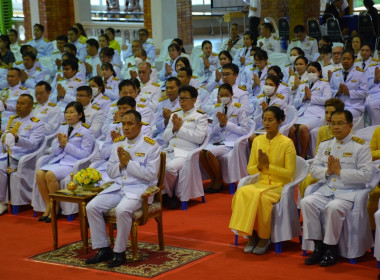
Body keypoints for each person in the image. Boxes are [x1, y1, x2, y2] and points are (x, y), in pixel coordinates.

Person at [85, 110, 160, 268]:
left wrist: (129, 163)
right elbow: (111, 173)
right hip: (119, 187)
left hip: (139, 189)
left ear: (139, 125)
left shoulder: (151, 146)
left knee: (122, 210)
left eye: (130, 124)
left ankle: (120, 252)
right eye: (123, 124)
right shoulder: (118, 143)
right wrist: (120, 164)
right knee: (91, 207)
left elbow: (151, 175)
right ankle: (104, 248)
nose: (126, 128)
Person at [300, 110, 372, 267]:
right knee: (307, 202)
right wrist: (327, 171)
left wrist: (341, 172)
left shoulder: (361, 146)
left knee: (333, 207)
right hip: (327, 189)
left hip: (349, 193)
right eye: (333, 123)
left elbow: (367, 175)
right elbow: (313, 169)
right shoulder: (326, 145)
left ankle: (331, 248)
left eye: (340, 123)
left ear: (350, 125)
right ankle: (318, 246)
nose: (336, 127)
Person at [229, 106, 296, 255]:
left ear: (279, 121)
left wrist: (269, 167)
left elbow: (289, 173)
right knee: (242, 192)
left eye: (270, 120)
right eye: (264, 119)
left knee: (262, 198)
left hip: (279, 186)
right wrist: (260, 167)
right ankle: (251, 234)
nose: (266, 123)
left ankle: (264, 237)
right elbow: (250, 169)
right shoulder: (258, 141)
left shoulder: (287, 143)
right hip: (261, 183)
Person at [36, 101, 94, 223]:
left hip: (72, 163)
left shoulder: (86, 130)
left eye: (72, 112)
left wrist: (66, 145)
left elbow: (84, 154)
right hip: (59, 160)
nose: (68, 115)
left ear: (80, 115)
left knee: (50, 174)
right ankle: (48, 206)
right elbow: (55, 150)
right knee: (39, 173)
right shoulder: (63, 127)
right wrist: (61, 146)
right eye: (66, 112)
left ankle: (55, 208)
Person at [162, 86, 208, 208]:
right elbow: (165, 137)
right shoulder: (175, 115)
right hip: (169, 150)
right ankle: (163, 194)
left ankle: (169, 195)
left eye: (184, 99)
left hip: (186, 153)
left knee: (169, 168)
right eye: (180, 99)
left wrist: (180, 128)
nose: (181, 101)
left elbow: (199, 138)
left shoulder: (200, 116)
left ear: (193, 100)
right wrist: (173, 128)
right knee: (155, 165)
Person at [0, 94, 45, 215]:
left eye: (22, 104)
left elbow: (33, 145)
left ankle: (2, 202)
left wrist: (17, 139)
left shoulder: (37, 123)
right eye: (17, 103)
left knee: (1, 167)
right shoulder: (13, 119)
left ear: (31, 107)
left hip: (23, 157)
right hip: (7, 153)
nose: (18, 106)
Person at [200, 83, 248, 193]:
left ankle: (219, 181)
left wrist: (227, 124)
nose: (224, 97)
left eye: (226, 95)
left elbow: (244, 130)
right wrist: (221, 125)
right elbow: (214, 131)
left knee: (209, 153)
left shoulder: (238, 108)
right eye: (221, 95)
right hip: (219, 140)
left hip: (232, 142)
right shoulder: (217, 108)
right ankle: (213, 179)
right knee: (201, 153)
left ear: (232, 95)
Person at [298, 97, 345, 198]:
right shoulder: (322, 130)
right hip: (323, 168)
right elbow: (317, 154)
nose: (328, 116)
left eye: (331, 112)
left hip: (339, 171)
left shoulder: (346, 132)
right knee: (304, 179)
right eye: (326, 112)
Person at [289, 61, 332, 159]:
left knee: (303, 128)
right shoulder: (303, 84)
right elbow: (294, 102)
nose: (311, 74)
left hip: (316, 114)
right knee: (290, 128)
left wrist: (311, 97)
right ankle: (294, 154)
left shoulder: (325, 84)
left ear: (319, 73)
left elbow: (327, 101)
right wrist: (303, 98)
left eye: (313, 71)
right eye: (309, 71)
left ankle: (303, 155)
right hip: (302, 113)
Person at [330, 50, 368, 119]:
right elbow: (329, 90)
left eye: (348, 59)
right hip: (338, 105)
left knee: (342, 117)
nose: (345, 61)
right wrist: (337, 92)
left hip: (354, 106)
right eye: (343, 59)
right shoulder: (335, 73)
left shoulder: (360, 74)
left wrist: (349, 92)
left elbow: (365, 92)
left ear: (353, 61)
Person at [154, 77, 181, 146]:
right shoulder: (162, 103)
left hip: (178, 135)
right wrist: (165, 121)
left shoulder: (183, 102)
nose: (168, 90)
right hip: (163, 134)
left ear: (179, 88)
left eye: (172, 88)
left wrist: (171, 118)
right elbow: (158, 125)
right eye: (167, 88)